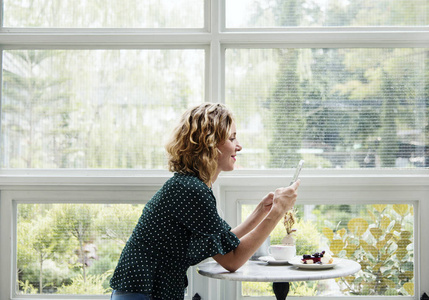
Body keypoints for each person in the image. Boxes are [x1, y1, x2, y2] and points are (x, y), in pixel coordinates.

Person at [110, 103, 300, 300]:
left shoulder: (189, 185)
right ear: (210, 143)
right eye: (232, 138)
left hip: (139, 290)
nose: (239, 146)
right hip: (143, 293)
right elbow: (232, 260)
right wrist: (278, 211)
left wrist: (262, 211)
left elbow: (221, 243)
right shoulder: (191, 190)